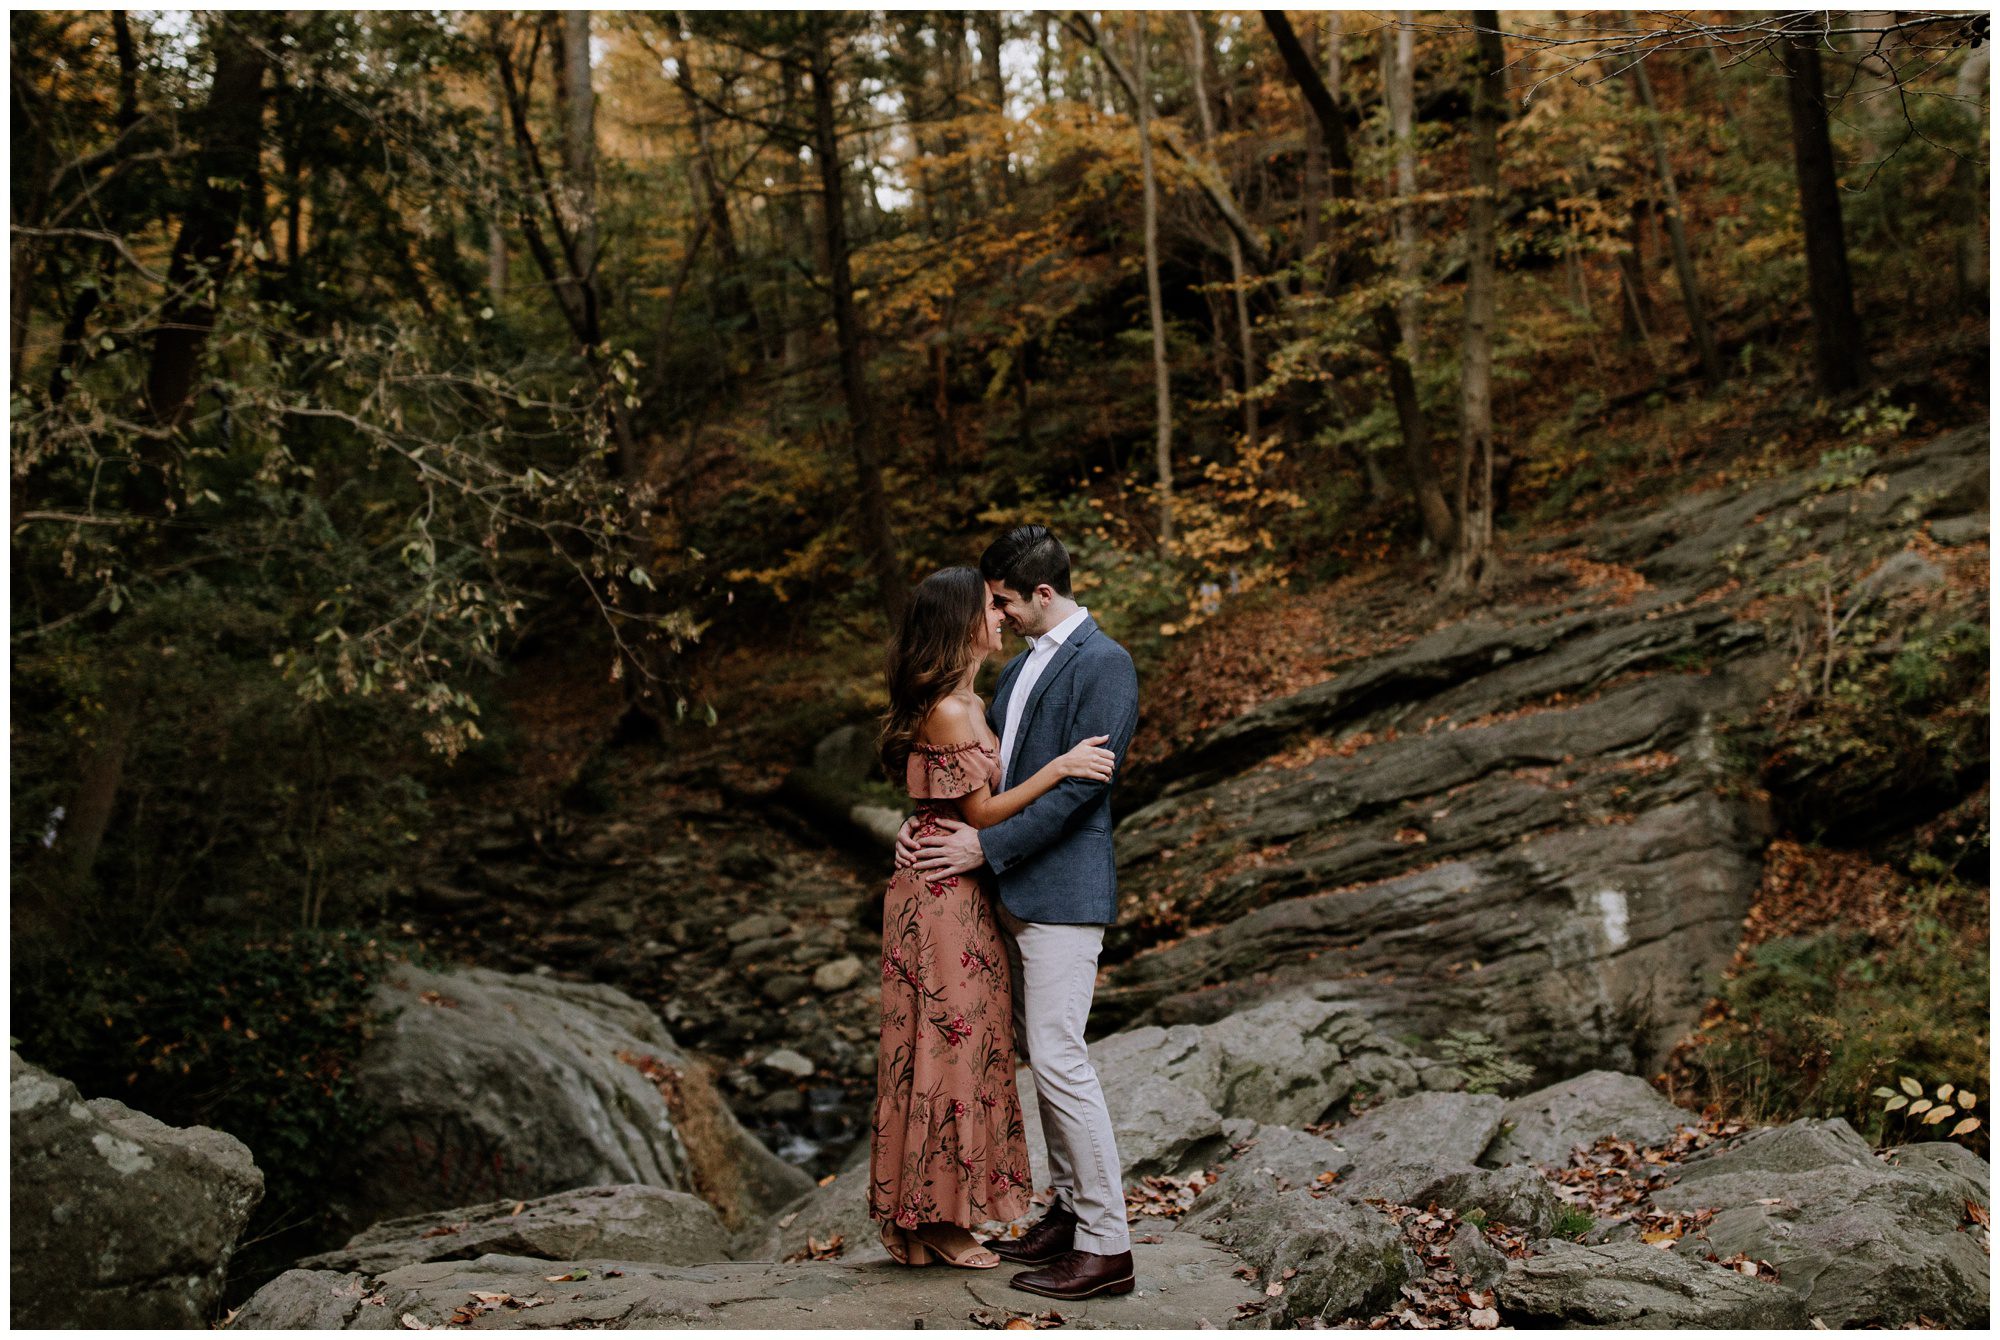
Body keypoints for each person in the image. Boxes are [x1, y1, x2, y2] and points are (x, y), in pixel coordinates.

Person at [896, 525, 1142, 1302]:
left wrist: (980, 851)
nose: (995, 614)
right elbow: (972, 771)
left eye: (1003, 599)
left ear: (1042, 593)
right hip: (1008, 895)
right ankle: (1069, 1213)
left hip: (1062, 890)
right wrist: (929, 819)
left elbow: (1081, 788)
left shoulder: (1106, 663)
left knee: (1063, 1059)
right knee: (1042, 1060)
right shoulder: (1015, 672)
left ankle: (1108, 1245)